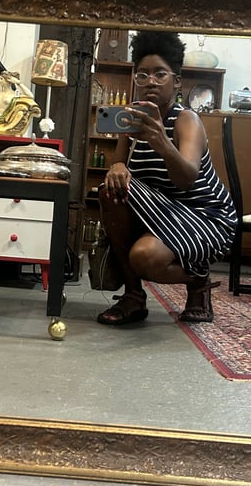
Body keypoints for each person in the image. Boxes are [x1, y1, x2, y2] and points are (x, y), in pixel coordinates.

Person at [96, 31, 237, 325]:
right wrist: (117, 167)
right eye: (143, 74)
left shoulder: (187, 121)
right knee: (110, 189)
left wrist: (161, 140)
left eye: (160, 74)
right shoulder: (131, 119)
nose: (150, 81)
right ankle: (134, 297)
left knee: (145, 257)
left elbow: (186, 178)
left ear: (177, 81)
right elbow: (119, 166)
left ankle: (198, 280)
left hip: (206, 217)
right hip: (161, 214)